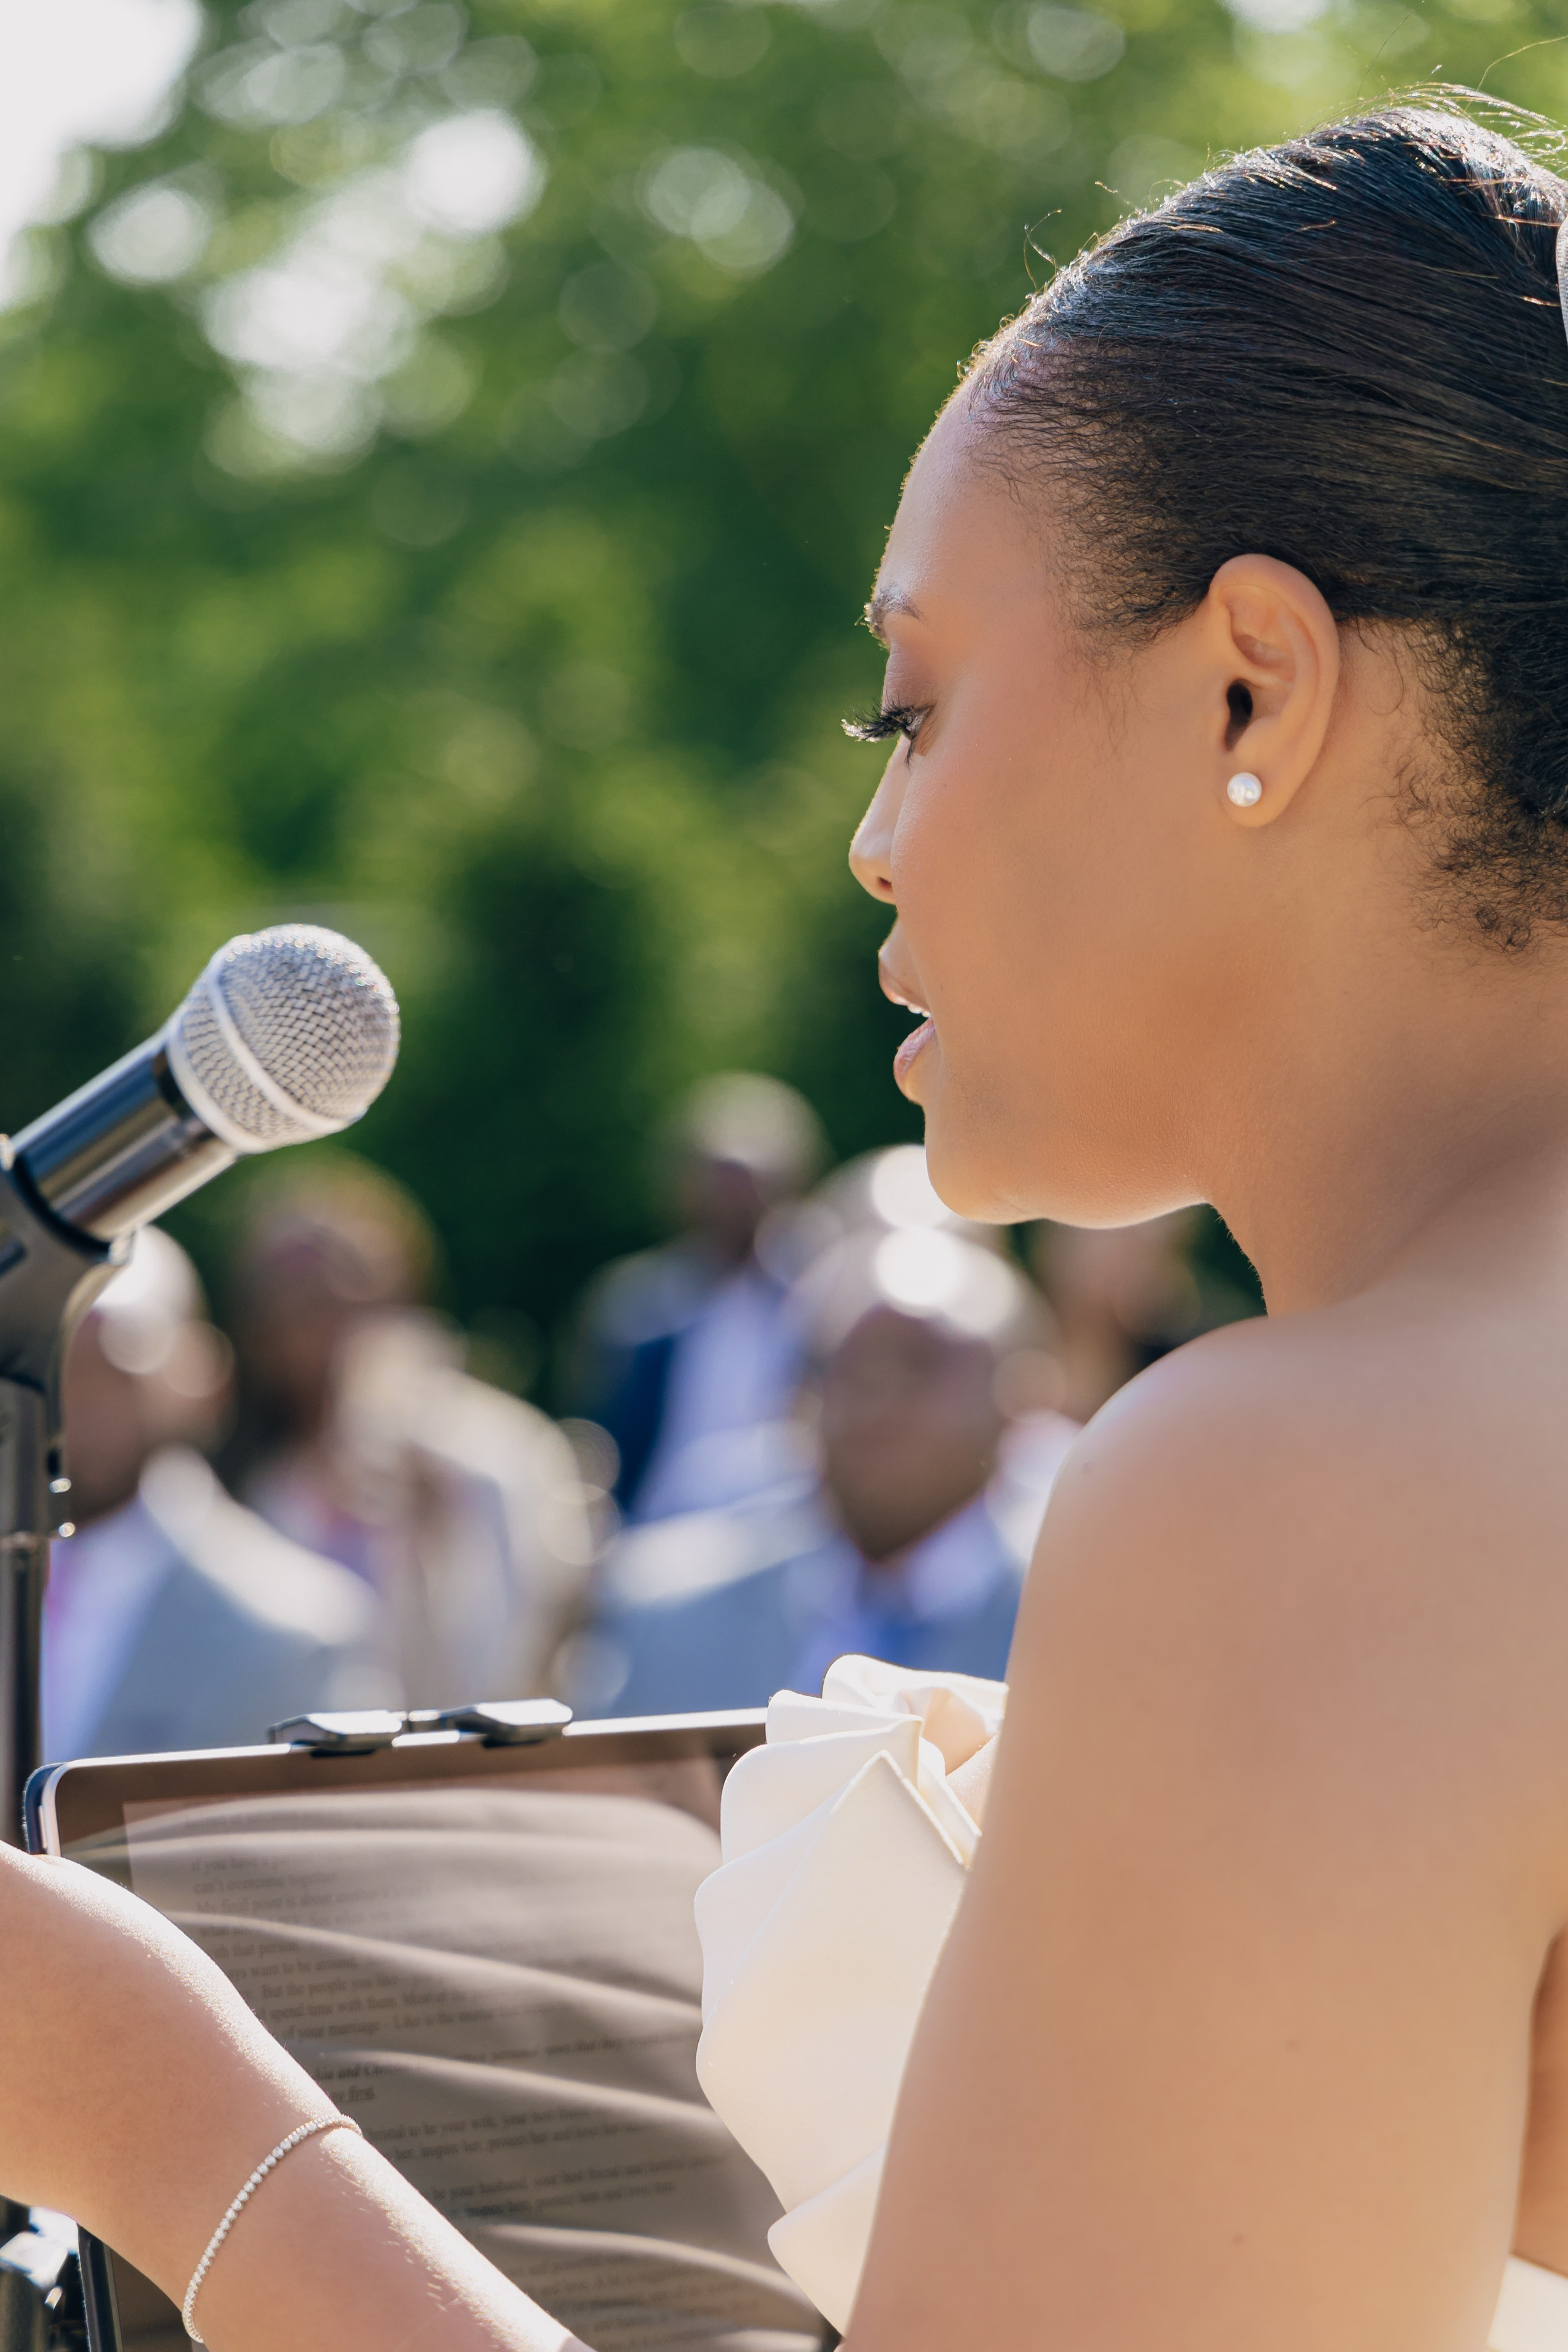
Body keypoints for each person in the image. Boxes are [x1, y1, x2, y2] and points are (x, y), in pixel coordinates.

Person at [18, 91, 1568, 2352]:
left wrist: (161, 2117)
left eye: (909, 705)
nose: (869, 841)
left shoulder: (1302, 1488)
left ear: (1251, 680)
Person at [576, 1218, 1065, 1714]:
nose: (877, 1401)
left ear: (1019, 1398)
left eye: (919, 1365)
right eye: (845, 1367)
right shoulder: (666, 1618)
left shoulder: (1083, 1631)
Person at [224, 1161, 594, 1709]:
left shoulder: (503, 1451)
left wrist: (436, 1537)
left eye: (352, 1290)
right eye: (300, 1303)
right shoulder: (253, 1491)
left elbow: (522, 1663)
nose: (334, 1326)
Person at [43, 1226, 393, 1760]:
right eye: (55, 1360)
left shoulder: (299, 1633)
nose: (77, 1396)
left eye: (114, 1364)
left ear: (203, 1375)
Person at [572, 1072, 824, 1521]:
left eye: (747, 1182)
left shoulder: (825, 1305)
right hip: (653, 1539)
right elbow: (604, 1440)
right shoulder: (635, 1307)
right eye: (717, 1181)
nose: (730, 1201)